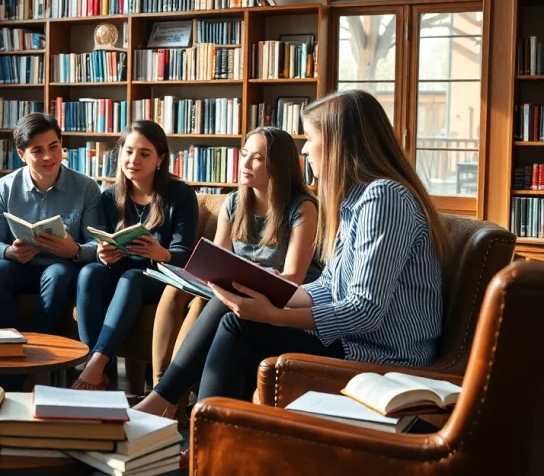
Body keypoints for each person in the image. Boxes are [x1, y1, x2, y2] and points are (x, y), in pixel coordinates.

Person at [150, 90, 447, 416]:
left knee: (240, 327)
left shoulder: (384, 198)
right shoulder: (355, 201)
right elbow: (330, 284)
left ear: (338, 143)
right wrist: (276, 291)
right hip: (354, 339)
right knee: (231, 304)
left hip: (381, 352)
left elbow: (364, 310)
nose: (304, 149)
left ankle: (190, 427)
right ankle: (177, 413)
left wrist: (273, 313)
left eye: (311, 138)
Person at [137, 126, 322, 418]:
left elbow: (293, 279)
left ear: (278, 165)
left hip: (287, 303)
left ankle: (166, 399)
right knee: (181, 292)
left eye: (256, 158)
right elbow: (217, 259)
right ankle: (166, 393)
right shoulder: (235, 203)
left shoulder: (302, 208)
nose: (245, 164)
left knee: (217, 306)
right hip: (239, 291)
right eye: (244, 154)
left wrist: (253, 279)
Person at [72, 120, 199, 390]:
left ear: (160, 158)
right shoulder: (109, 196)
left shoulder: (181, 195)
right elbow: (101, 245)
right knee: (89, 273)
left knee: (132, 277)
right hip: (121, 270)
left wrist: (161, 253)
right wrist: (104, 255)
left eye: (144, 153)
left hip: (161, 276)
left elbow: (185, 255)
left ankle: (94, 368)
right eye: (128, 151)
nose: (133, 160)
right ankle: (92, 361)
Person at [0, 112, 103, 338]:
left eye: (54, 147)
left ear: (62, 146)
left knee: (57, 275)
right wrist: (9, 252)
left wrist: (74, 250)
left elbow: (98, 243)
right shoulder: (4, 187)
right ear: (21, 154)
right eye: (37, 150)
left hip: (62, 266)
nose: (48, 156)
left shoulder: (86, 188)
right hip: (19, 266)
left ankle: (39, 356)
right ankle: (8, 353)